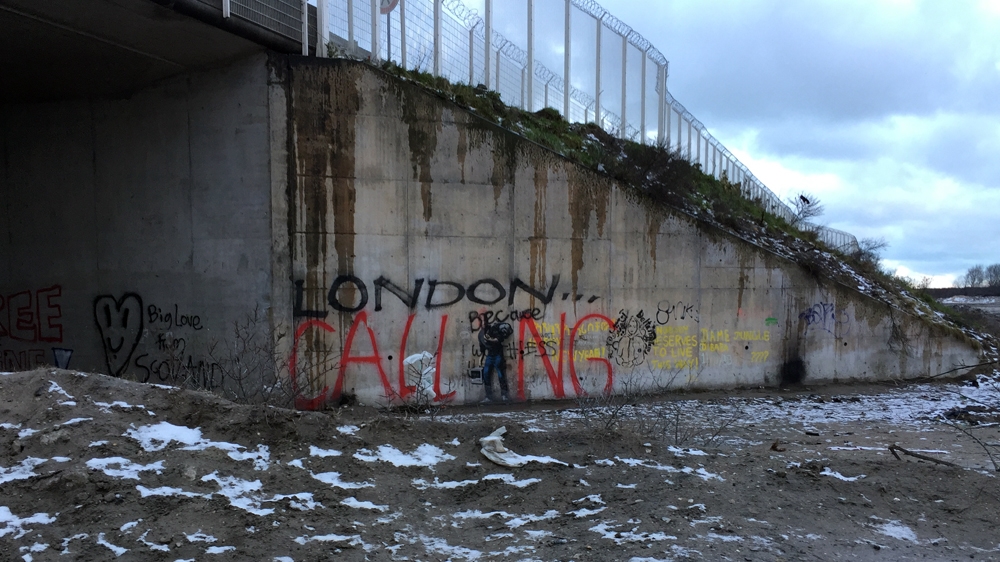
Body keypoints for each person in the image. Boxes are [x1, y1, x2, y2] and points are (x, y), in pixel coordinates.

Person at [478, 321, 513, 403]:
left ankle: (504, 395)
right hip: (490, 356)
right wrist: (480, 360)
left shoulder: (494, 329)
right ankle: (489, 397)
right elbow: (482, 349)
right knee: (486, 374)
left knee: (500, 374)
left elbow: (498, 339)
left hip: (498, 354)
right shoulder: (481, 336)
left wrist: (489, 339)